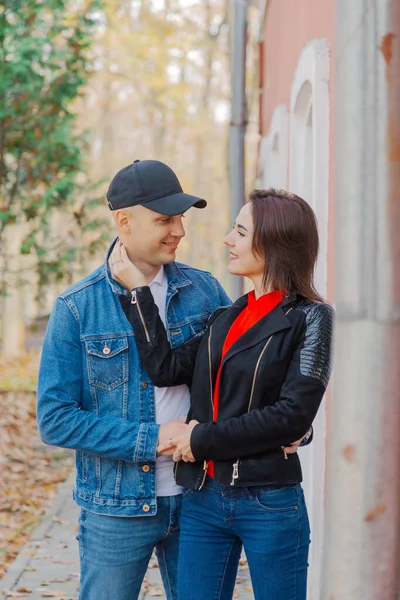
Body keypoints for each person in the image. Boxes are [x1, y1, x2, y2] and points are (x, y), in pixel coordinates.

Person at [110, 188, 334, 600]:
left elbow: (291, 417)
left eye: (240, 231)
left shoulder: (312, 318)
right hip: (203, 499)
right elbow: (165, 368)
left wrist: (199, 440)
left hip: (269, 501)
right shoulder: (225, 316)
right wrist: (137, 293)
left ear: (274, 242)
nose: (228, 239)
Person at [37, 159, 233, 600]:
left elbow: (237, 377)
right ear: (123, 222)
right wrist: (154, 437)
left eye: (180, 218)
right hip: (115, 508)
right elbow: (55, 419)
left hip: (201, 498)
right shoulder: (77, 307)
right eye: (164, 219)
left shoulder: (205, 292)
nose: (179, 230)